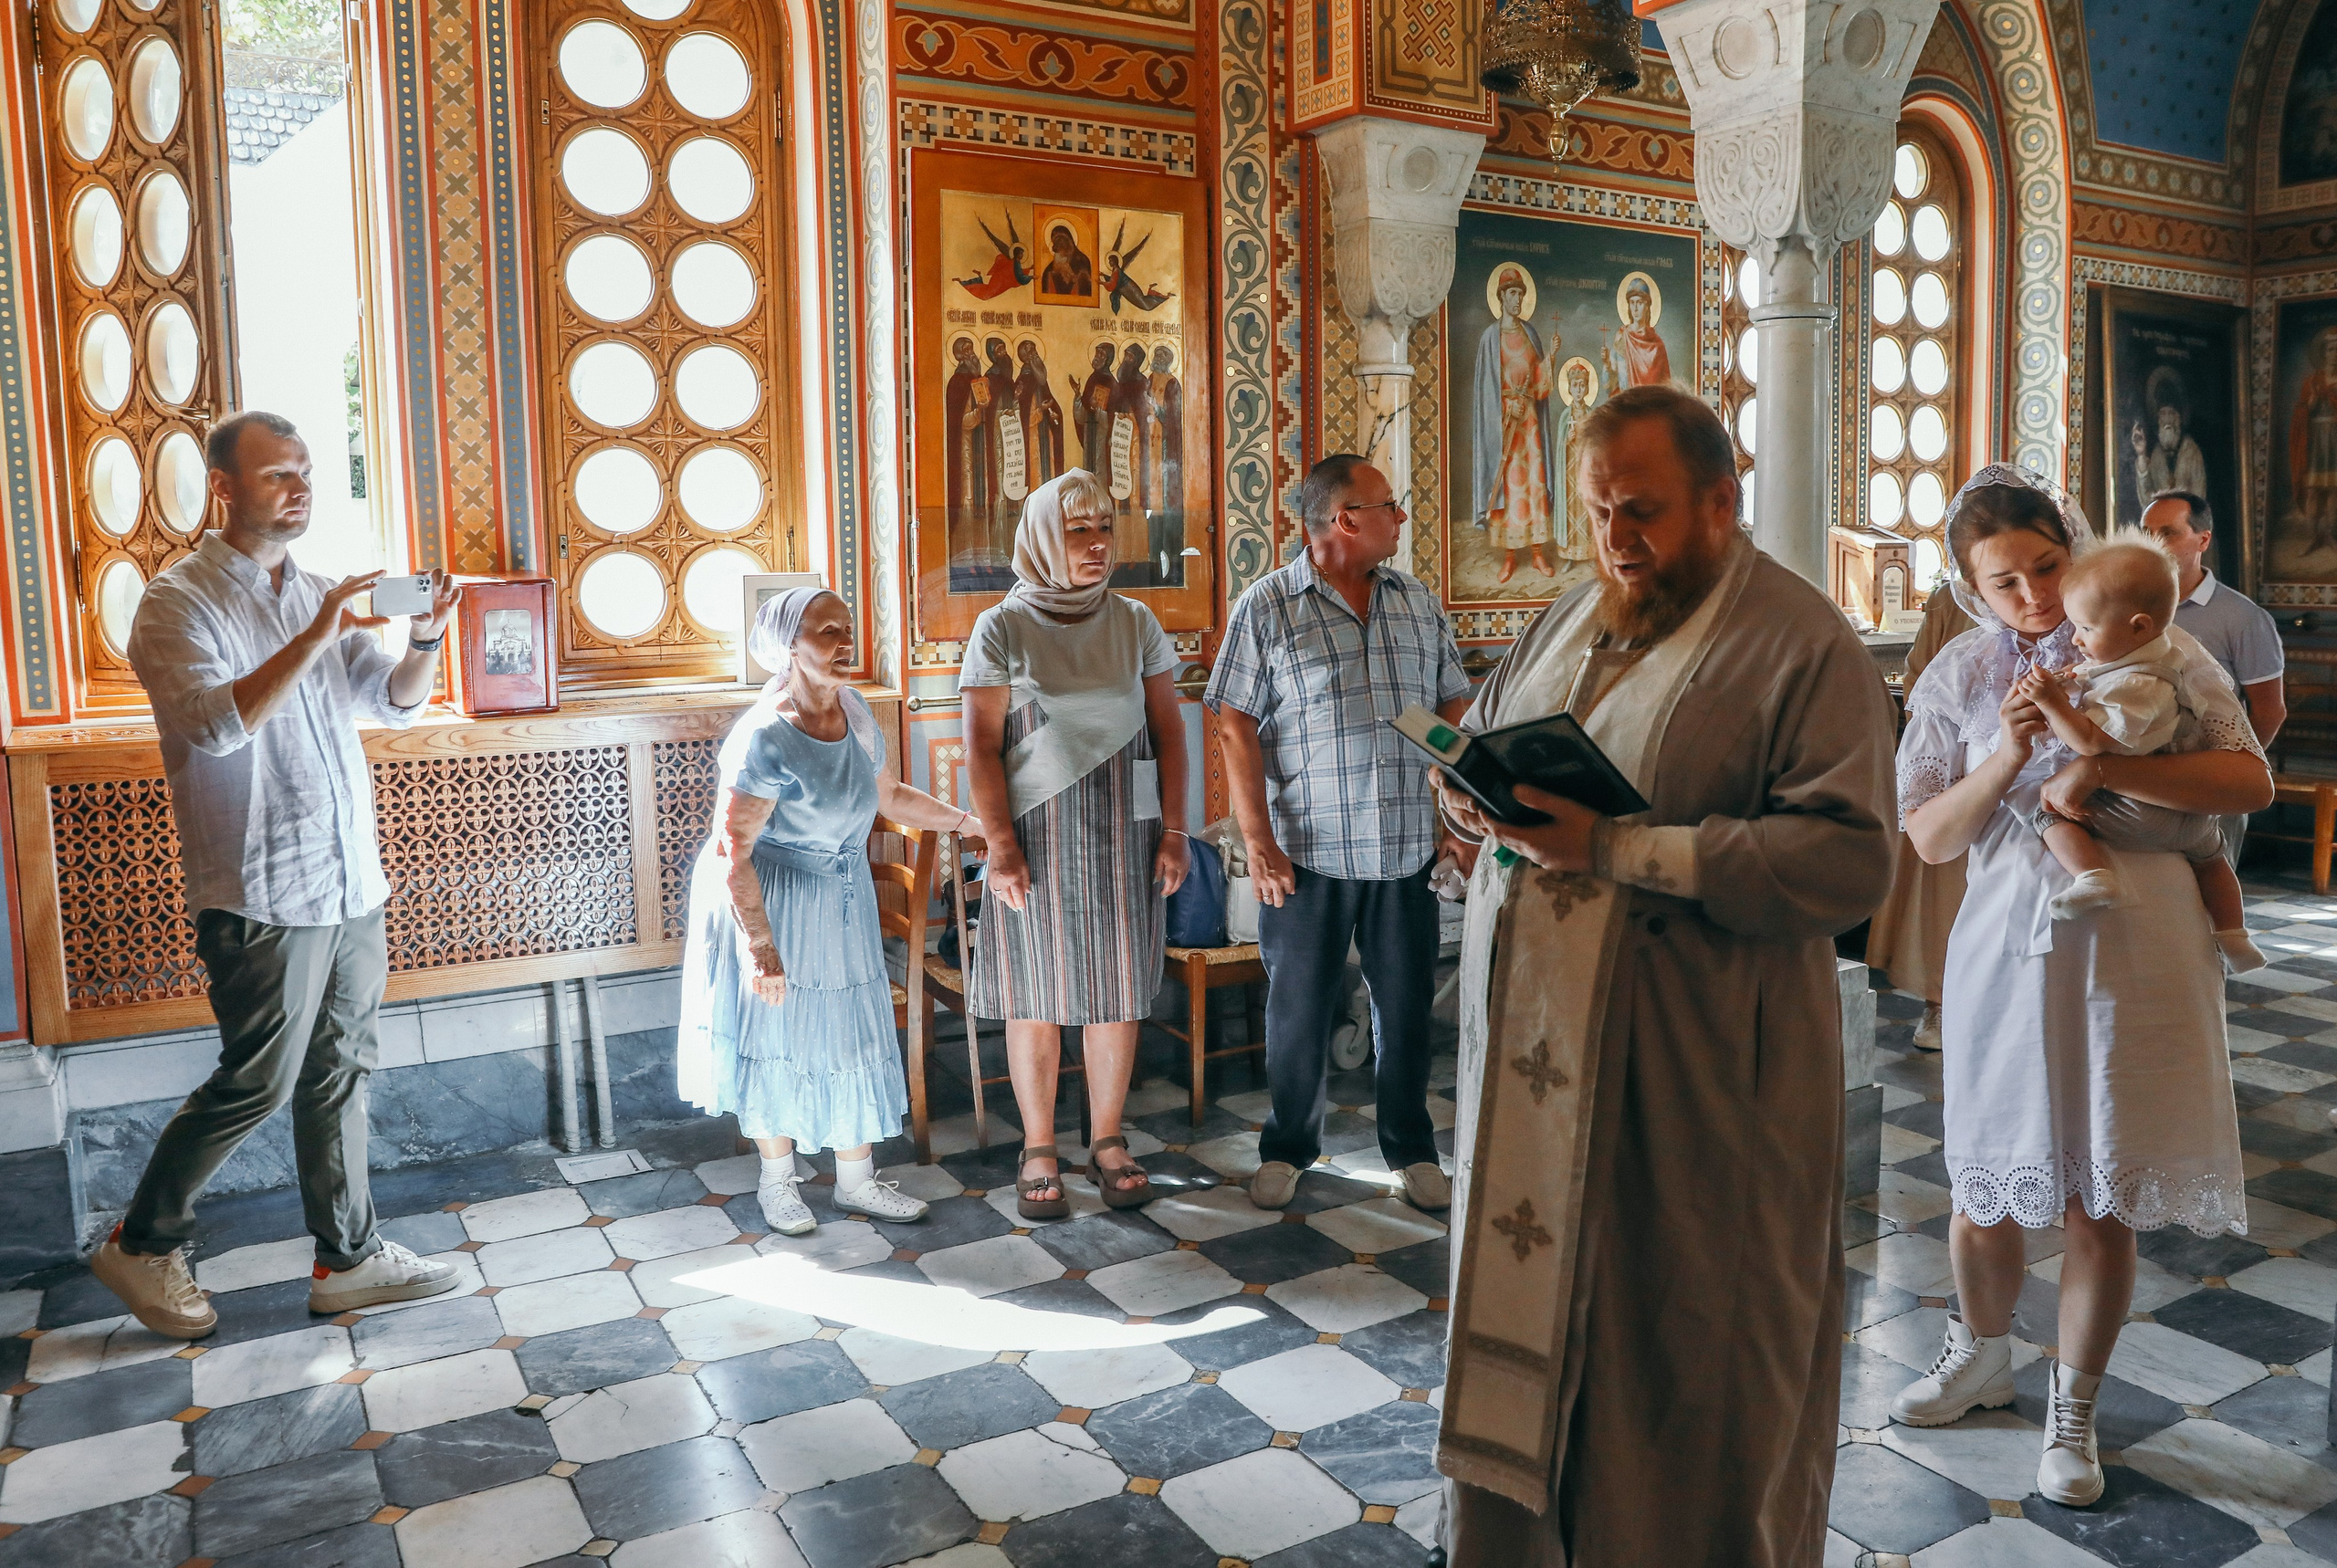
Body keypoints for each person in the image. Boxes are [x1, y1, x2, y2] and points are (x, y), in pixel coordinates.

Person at [1432, 385, 1896, 1566]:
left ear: (1722, 502)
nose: (1616, 540)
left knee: (1686, 1344)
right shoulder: (1570, 612)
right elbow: (1491, 725)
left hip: (1694, 1086)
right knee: (1532, 1330)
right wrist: (1465, 783)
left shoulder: (1800, 642)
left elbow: (1850, 860)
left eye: (1641, 512)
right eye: (1598, 513)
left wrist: (1621, 849)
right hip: (1536, 1066)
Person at [1888, 465, 2267, 1509]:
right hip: (2005, 934)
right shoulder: (1960, 673)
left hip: (2135, 934)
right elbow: (1927, 837)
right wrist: (2007, 746)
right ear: (1971, 589)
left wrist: (2097, 762)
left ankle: (2074, 1409)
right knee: (1981, 1180)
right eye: (2003, 583)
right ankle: (1977, 1354)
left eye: (2046, 567)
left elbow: (2247, 779)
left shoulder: (2150, 641)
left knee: (2102, 1186)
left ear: (2071, 541)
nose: (2035, 598)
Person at [89, 410, 465, 1339]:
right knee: (256, 1078)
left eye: (304, 473)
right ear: (223, 487)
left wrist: (424, 638)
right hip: (261, 887)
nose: (298, 489)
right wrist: (318, 629)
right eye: (275, 475)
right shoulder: (175, 603)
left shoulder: (320, 591)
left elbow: (394, 705)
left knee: (343, 1067)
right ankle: (141, 1243)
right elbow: (216, 724)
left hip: (350, 878)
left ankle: (349, 1256)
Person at [1208, 454, 1472, 1215]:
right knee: (1297, 1011)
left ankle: (1412, 1150)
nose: (1403, 517)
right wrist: (1258, 841)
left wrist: (1458, 822)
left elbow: (1453, 711)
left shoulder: (1416, 602)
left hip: (1403, 850)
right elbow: (1234, 722)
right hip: (1307, 855)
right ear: (1348, 519)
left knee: (1407, 1008)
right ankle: (1288, 1148)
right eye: (1393, 504)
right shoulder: (1269, 608)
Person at [676, 588, 976, 1234]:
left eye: (849, 627)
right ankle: (779, 1183)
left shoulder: (858, 711)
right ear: (790, 646)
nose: (846, 641)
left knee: (851, 1028)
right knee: (779, 1034)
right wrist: (761, 948)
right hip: (776, 898)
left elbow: (889, 794)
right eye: (827, 631)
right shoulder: (764, 737)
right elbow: (734, 853)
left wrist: (965, 821)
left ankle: (856, 1181)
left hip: (842, 898)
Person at [961, 470, 1189, 1219]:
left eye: (1103, 529)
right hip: (1036, 838)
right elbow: (982, 750)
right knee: (1036, 989)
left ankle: (1107, 1140)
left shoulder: (1134, 622)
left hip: (1128, 830)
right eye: (1076, 531)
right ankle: (1037, 1148)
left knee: (1118, 989)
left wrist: (1177, 832)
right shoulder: (1001, 628)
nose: (1096, 546)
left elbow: (1170, 734)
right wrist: (1000, 846)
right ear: (1040, 540)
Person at [2008, 540, 2263, 970]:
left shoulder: (2140, 684)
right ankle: (2234, 935)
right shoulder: (2158, 657)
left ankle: (2093, 876)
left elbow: (2089, 742)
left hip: (2136, 811)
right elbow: (2102, 683)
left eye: (2086, 629)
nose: (2075, 639)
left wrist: (2053, 702)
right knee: (2214, 860)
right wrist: (2078, 677)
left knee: (2043, 813)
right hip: (2192, 822)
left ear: (2139, 626)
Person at [2143, 489, 2286, 863]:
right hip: (2141, 775)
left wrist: (2231, 771)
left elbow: (2269, 710)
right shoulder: (2127, 604)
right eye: (2147, 531)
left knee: (2210, 901)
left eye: (2168, 532)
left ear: (2202, 539)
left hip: (2210, 779)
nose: (2153, 543)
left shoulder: (2242, 617)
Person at [1863, 585, 1975, 1050]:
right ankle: (1940, 1004)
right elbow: (1919, 678)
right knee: (1945, 897)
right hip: (1957, 772)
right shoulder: (1953, 601)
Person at [1471, 267, 1560, 582]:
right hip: (1505, 424)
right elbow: (1485, 392)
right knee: (1509, 487)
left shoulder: (1530, 334)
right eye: (1512, 294)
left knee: (1533, 483)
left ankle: (1537, 554)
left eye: (1521, 294)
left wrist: (1549, 361)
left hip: (1530, 426)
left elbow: (1539, 385)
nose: (1518, 299)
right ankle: (1509, 557)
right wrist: (1506, 409)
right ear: (1501, 298)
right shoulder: (1489, 339)